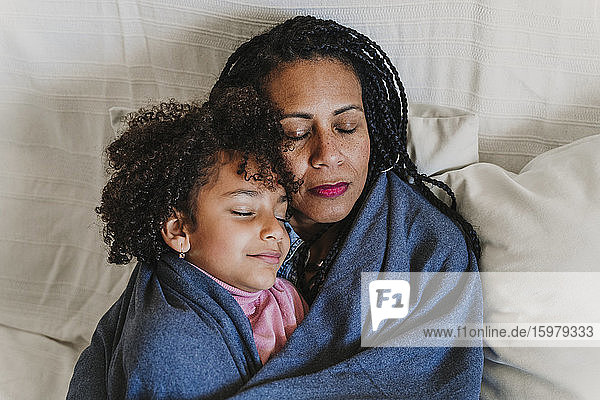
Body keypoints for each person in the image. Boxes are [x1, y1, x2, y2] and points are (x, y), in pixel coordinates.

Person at [210, 15, 484, 399]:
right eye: (296, 133)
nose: (328, 155)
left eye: (346, 127)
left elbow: (418, 379)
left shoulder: (427, 249)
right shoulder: (208, 220)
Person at [66, 87, 308, 399]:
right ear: (179, 230)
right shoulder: (172, 347)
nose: (276, 229)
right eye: (244, 212)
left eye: (280, 212)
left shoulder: (282, 293)